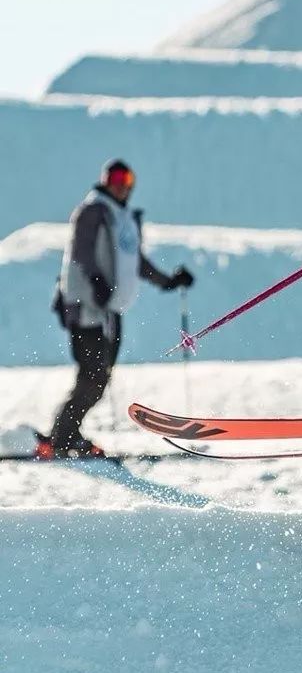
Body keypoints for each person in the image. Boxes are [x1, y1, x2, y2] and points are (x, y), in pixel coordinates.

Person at [45, 159, 195, 456]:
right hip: (87, 308)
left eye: (126, 178)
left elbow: (134, 261)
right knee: (94, 376)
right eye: (114, 177)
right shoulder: (93, 210)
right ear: (105, 180)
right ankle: (61, 439)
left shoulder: (123, 217)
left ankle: (66, 434)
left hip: (109, 312)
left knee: (99, 377)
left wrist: (168, 281)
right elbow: (82, 252)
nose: (121, 183)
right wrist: (97, 281)